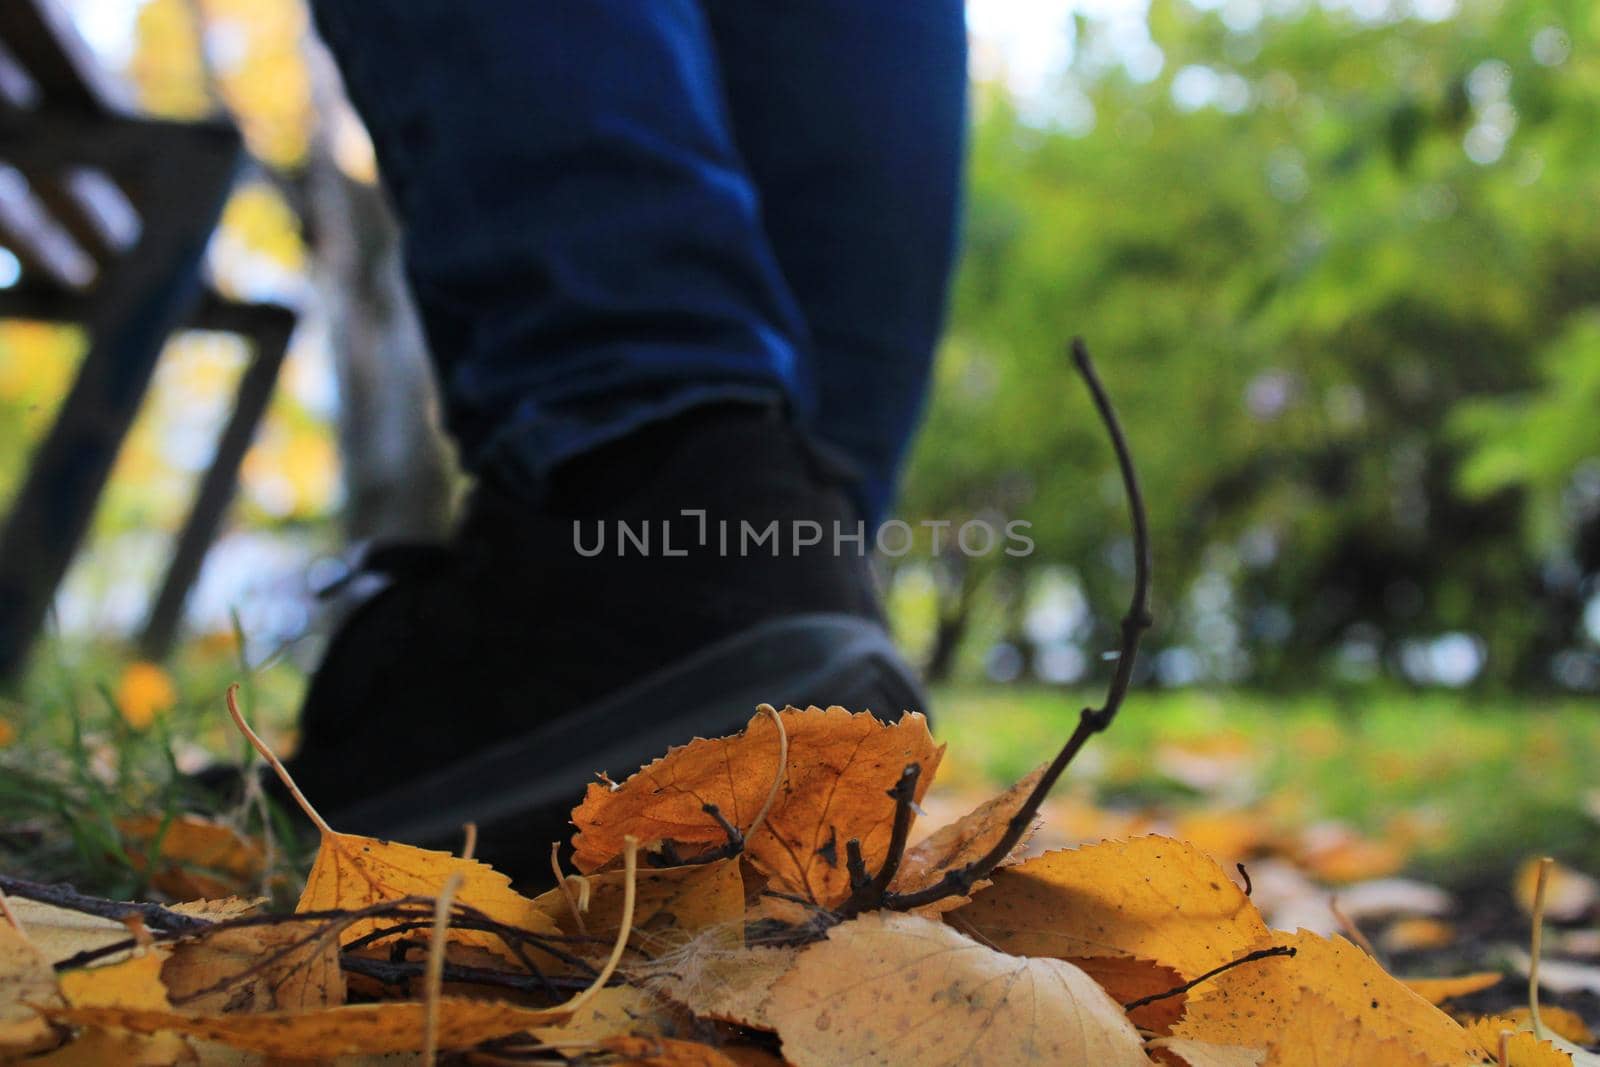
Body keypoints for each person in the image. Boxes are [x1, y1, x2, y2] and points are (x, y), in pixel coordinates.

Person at [282, 0, 968, 871]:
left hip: (614, 514)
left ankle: (630, 494)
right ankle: (780, 573)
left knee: (659, 469)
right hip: (806, 529)